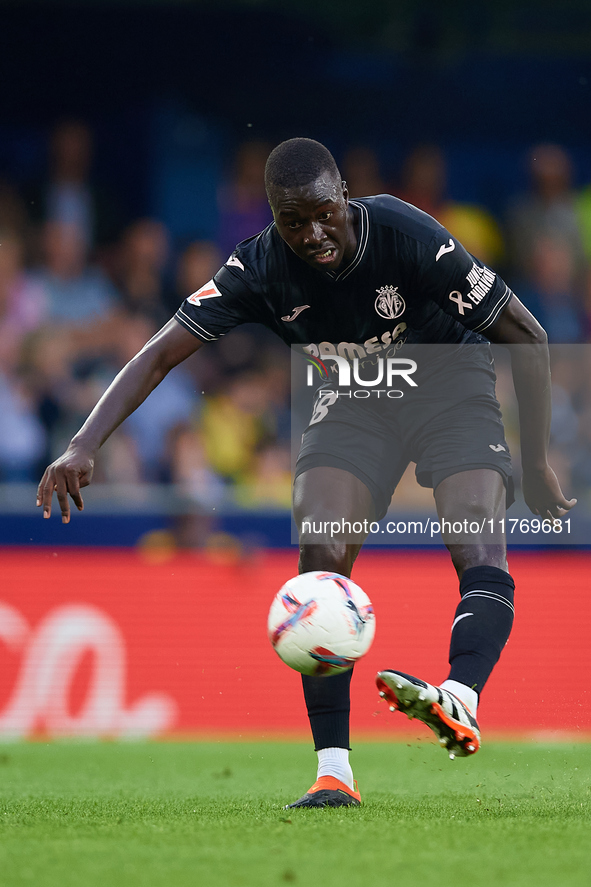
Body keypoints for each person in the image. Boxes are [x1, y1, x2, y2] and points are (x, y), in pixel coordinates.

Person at [37, 138, 575, 809]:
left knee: (474, 542)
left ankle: (458, 698)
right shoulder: (257, 268)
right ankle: (333, 773)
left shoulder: (408, 234)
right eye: (293, 222)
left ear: (344, 194)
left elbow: (526, 333)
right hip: (350, 399)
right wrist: (83, 442)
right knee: (319, 560)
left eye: (324, 213)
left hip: (447, 385)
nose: (312, 232)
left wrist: (532, 463)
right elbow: (157, 353)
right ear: (272, 218)